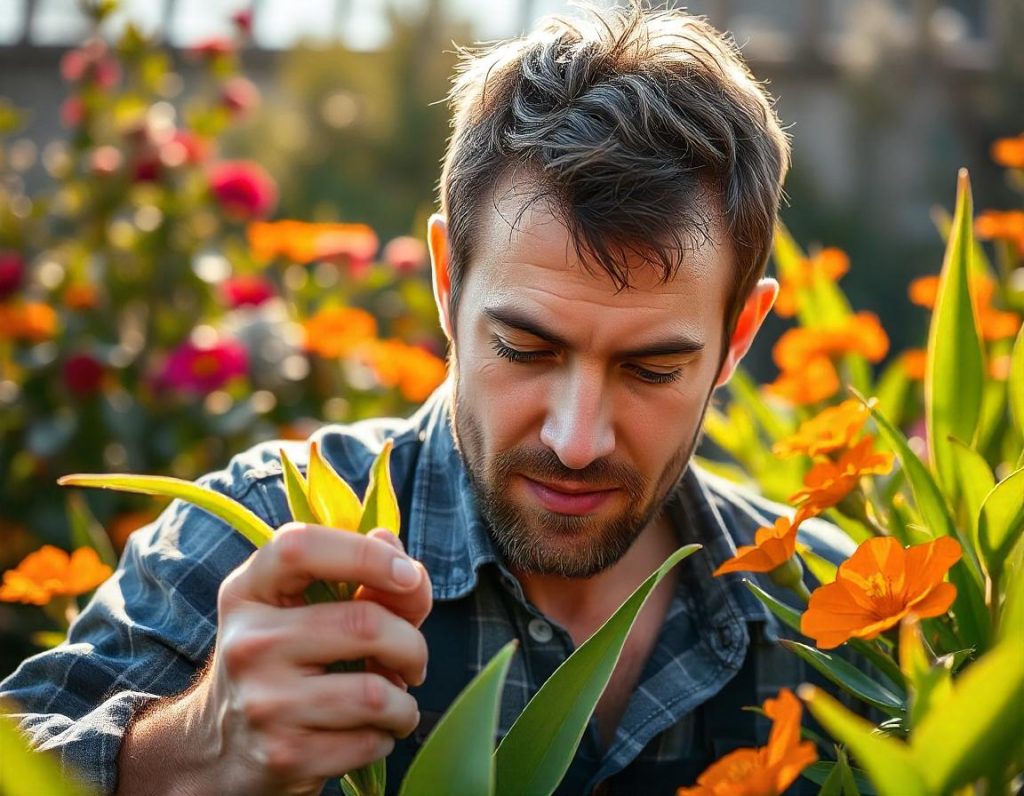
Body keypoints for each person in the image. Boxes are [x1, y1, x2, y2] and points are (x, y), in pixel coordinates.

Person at [1, 4, 853, 794]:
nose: (578, 437)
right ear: (447, 284)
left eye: (651, 369)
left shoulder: (835, 608)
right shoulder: (267, 535)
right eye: (525, 349)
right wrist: (193, 747)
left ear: (740, 335)